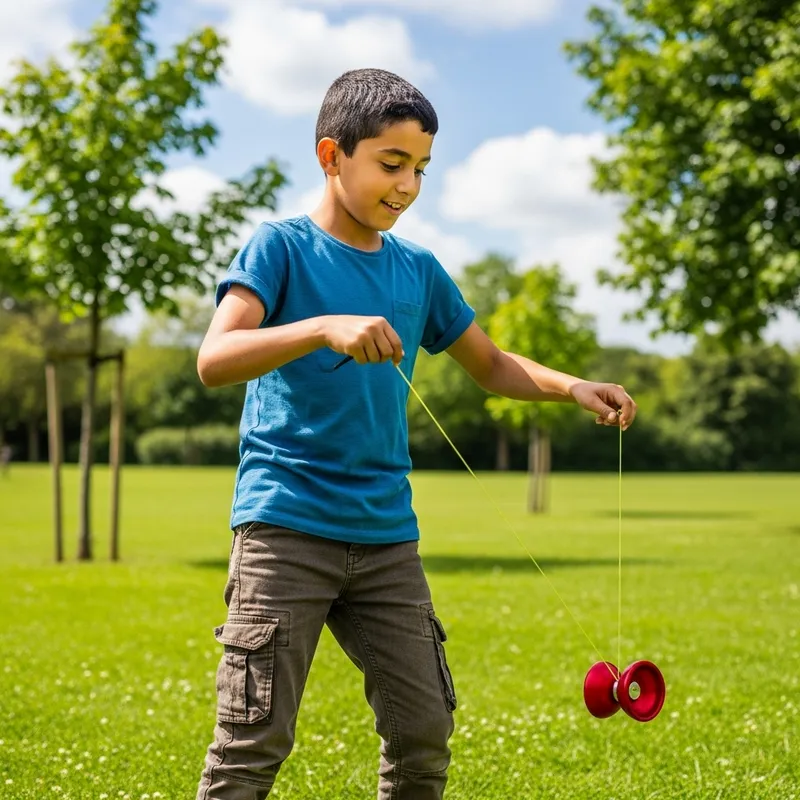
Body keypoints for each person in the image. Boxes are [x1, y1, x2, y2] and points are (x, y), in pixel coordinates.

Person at [194, 67, 637, 800]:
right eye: (391, 164)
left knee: (423, 728)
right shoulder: (281, 248)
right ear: (332, 156)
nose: (406, 185)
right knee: (252, 740)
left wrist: (571, 387)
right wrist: (319, 328)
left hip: (386, 540)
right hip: (284, 529)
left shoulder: (418, 270)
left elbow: (490, 363)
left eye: (421, 169)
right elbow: (215, 359)